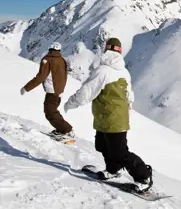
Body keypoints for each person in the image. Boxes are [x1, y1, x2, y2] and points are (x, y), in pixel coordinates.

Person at [63, 37, 153, 192]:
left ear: (106, 50)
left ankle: (143, 176)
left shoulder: (102, 71)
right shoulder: (124, 72)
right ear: (119, 51)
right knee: (102, 145)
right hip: (106, 118)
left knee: (120, 153)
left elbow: (86, 92)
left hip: (113, 120)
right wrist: (126, 113)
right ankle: (113, 170)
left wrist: (70, 103)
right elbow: (129, 96)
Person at [21, 42, 74, 140]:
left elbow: (40, 77)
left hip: (52, 92)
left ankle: (66, 130)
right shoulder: (62, 60)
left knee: (50, 112)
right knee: (53, 111)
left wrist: (26, 88)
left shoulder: (47, 60)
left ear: (49, 49)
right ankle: (61, 129)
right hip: (59, 92)